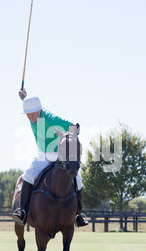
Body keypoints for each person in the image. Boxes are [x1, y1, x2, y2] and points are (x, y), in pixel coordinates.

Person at [12, 89, 89, 227]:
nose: (29, 117)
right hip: (41, 155)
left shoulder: (50, 118)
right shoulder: (33, 111)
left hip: (59, 156)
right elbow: (28, 103)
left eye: (32, 113)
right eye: (27, 114)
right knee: (28, 176)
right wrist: (24, 97)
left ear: (39, 110)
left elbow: (73, 127)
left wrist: (69, 136)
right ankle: (22, 212)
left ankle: (78, 214)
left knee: (78, 179)